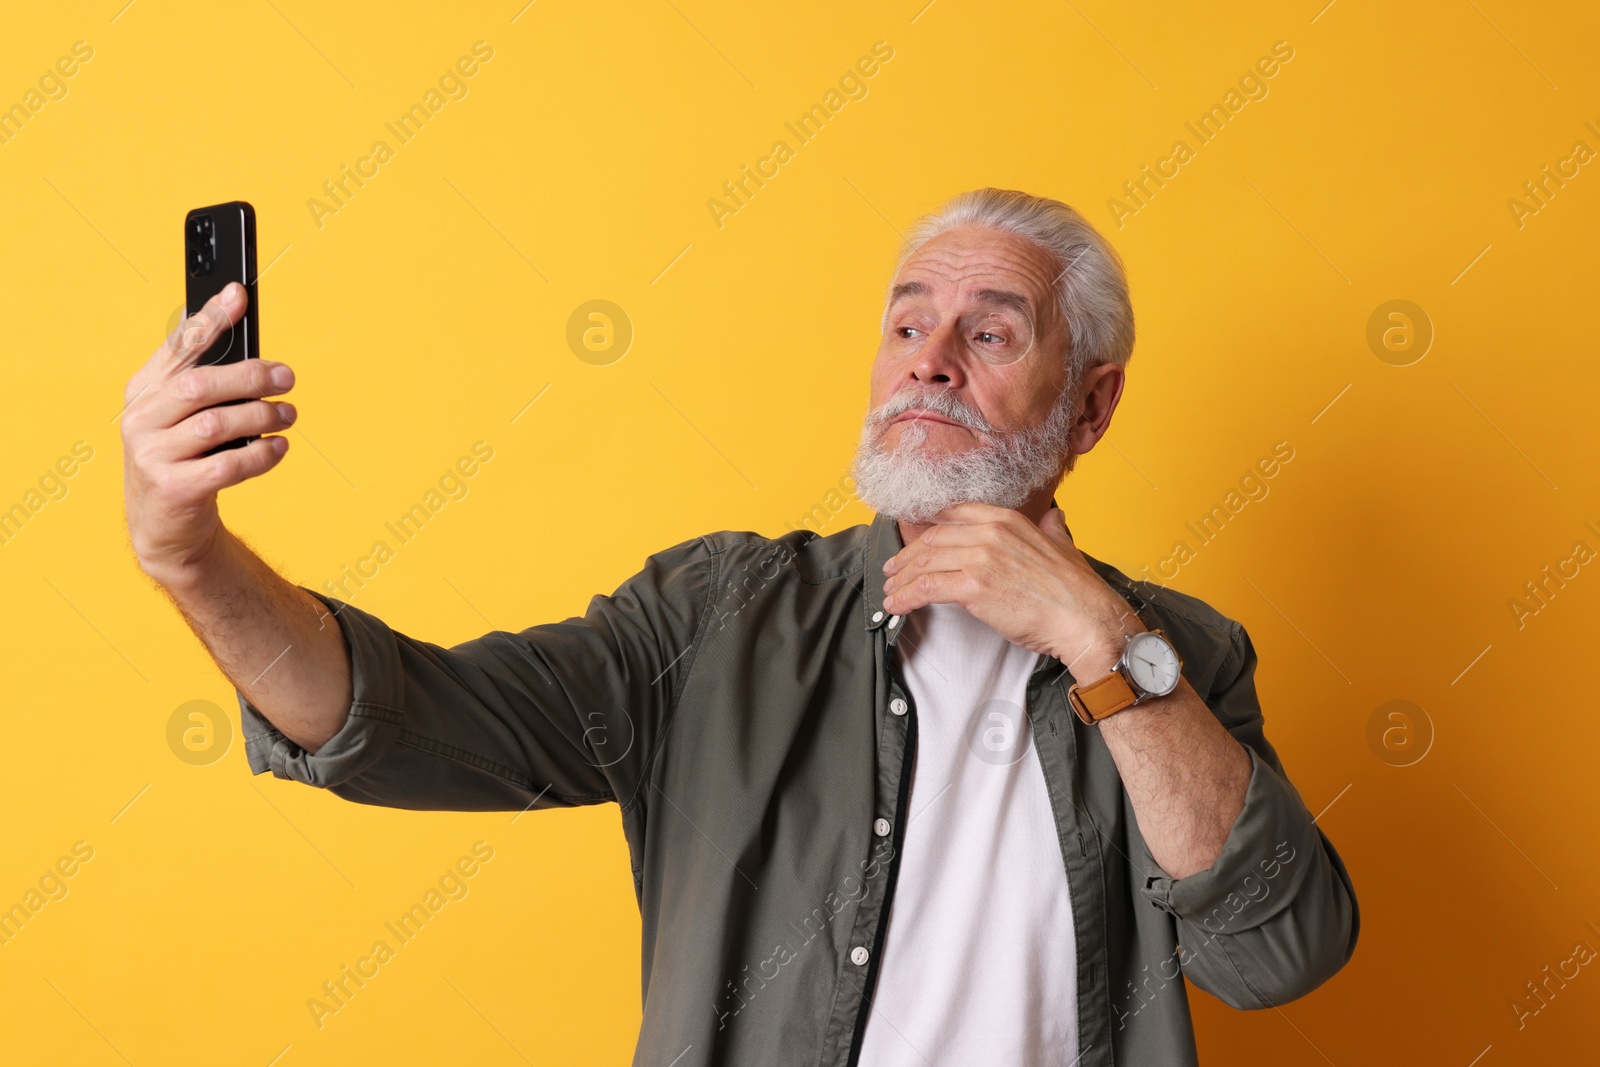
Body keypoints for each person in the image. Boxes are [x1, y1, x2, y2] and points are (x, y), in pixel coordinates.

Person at [122, 187, 1358, 1066]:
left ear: (1089, 407)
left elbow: (1277, 955)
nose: (927, 362)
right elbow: (411, 723)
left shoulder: (1177, 654)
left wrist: (1101, 641)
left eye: (989, 332)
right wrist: (194, 557)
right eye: (905, 321)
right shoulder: (717, 615)